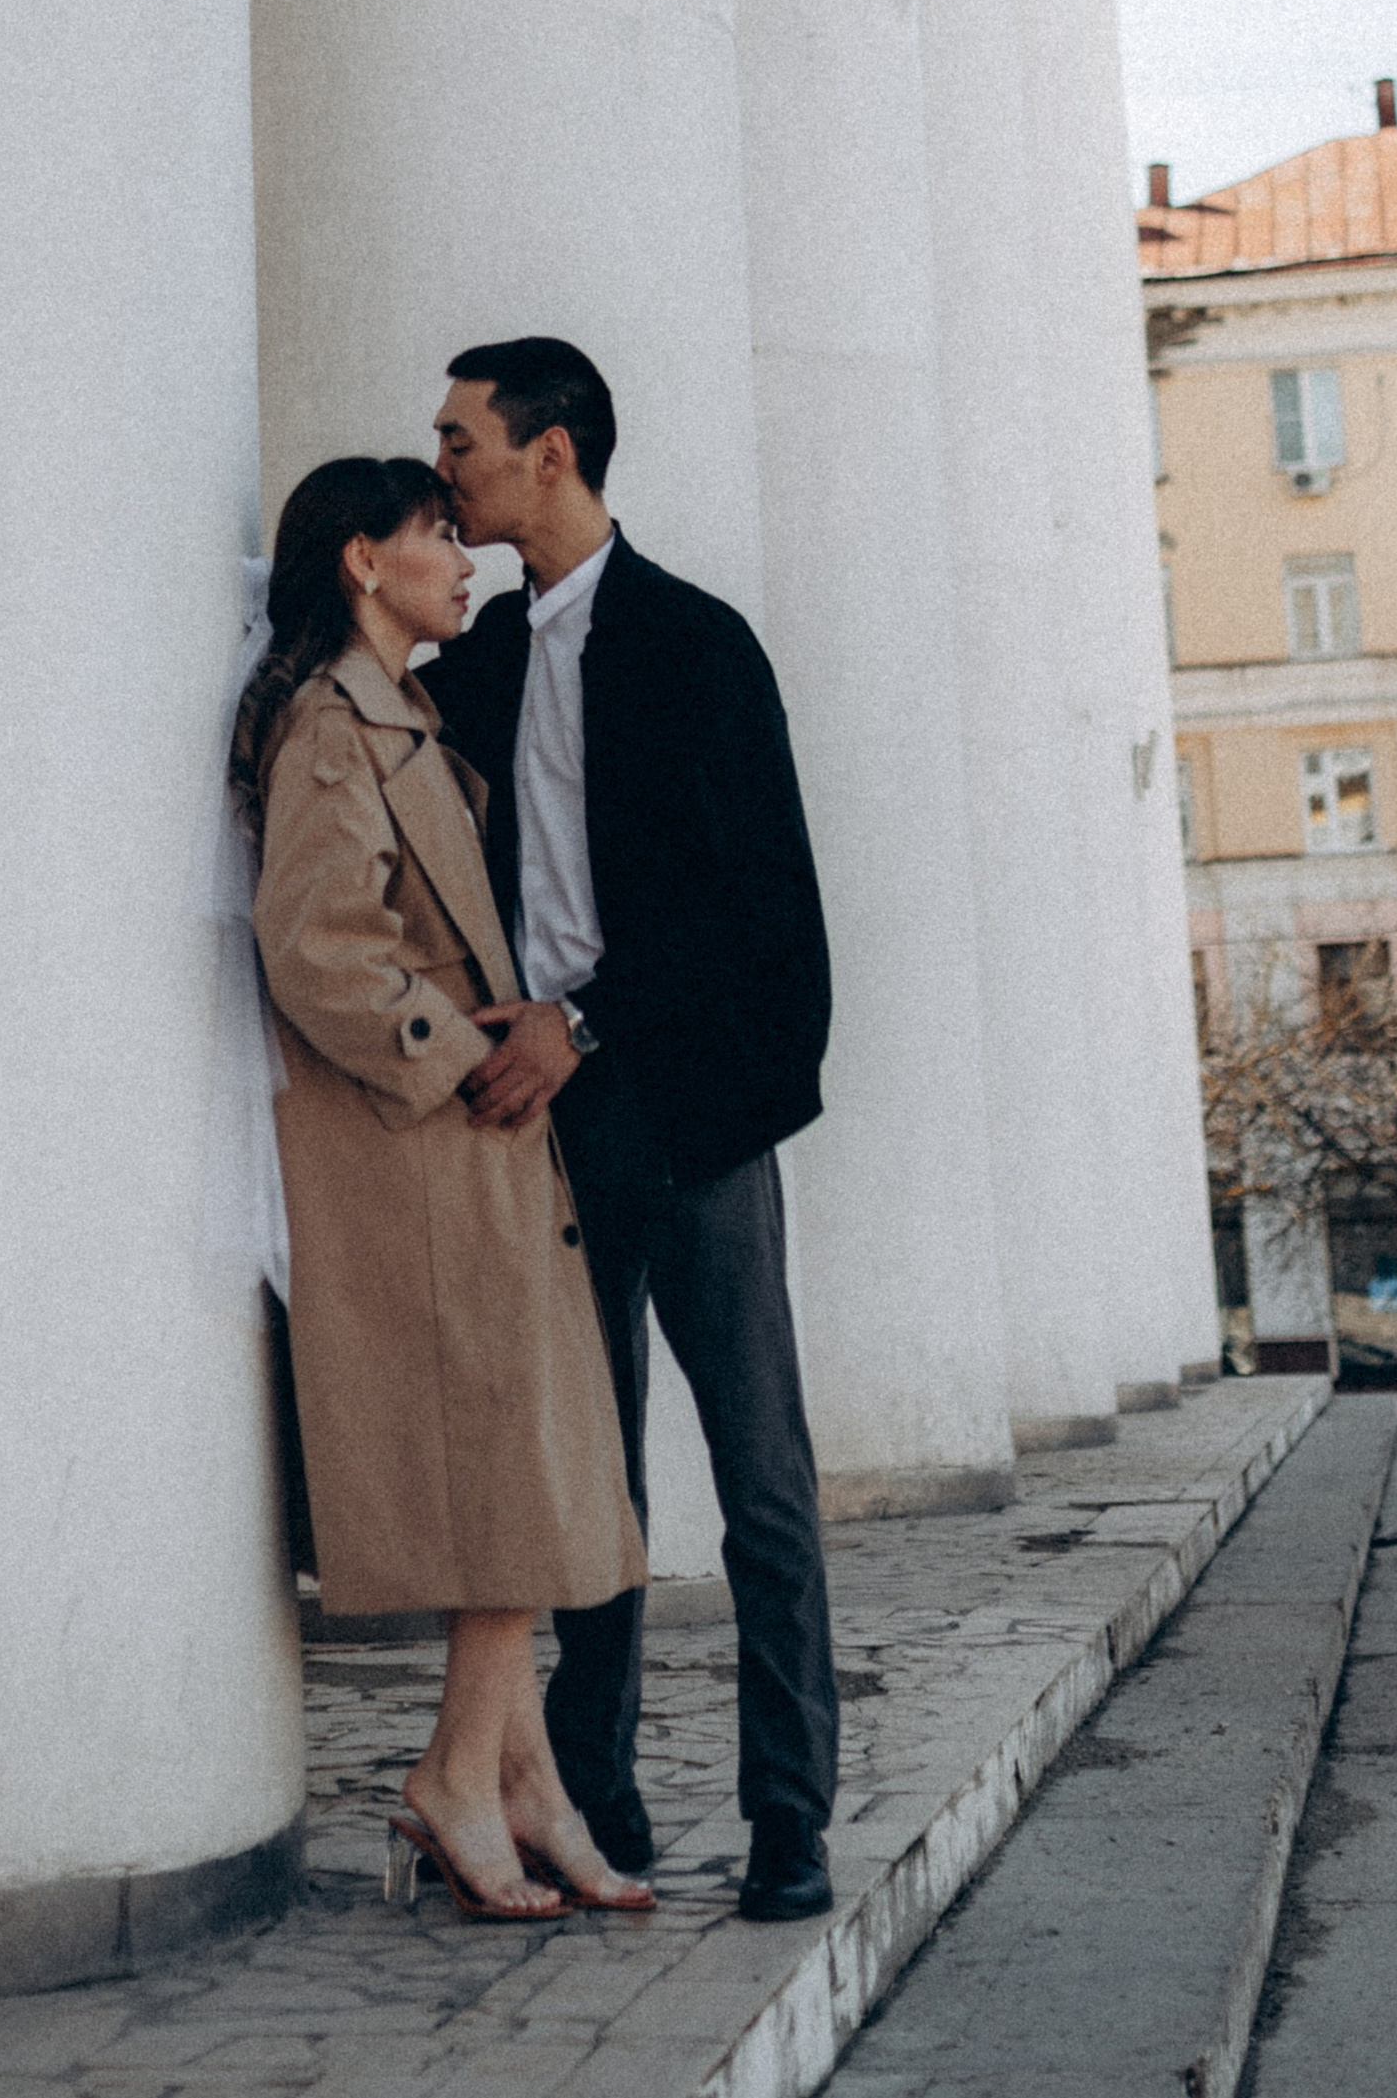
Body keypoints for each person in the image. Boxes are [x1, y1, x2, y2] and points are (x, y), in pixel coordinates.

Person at [420, 343, 841, 1925]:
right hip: (543, 1130)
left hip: (697, 1114)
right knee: (583, 1486)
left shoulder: (696, 642)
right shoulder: (476, 660)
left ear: (551, 449)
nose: (444, 463)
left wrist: (585, 1020)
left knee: (764, 1483)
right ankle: (593, 1798)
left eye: (462, 438)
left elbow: (759, 906)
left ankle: (791, 1816)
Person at [237, 454, 653, 1923]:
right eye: (432, 534)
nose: (460, 553)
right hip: (413, 1152)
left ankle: (521, 1780)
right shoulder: (333, 728)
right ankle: (456, 1781)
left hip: (468, 1155)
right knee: (505, 1481)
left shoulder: (403, 711)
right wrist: (446, 1043)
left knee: (525, 1472)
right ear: (363, 559)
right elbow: (315, 942)